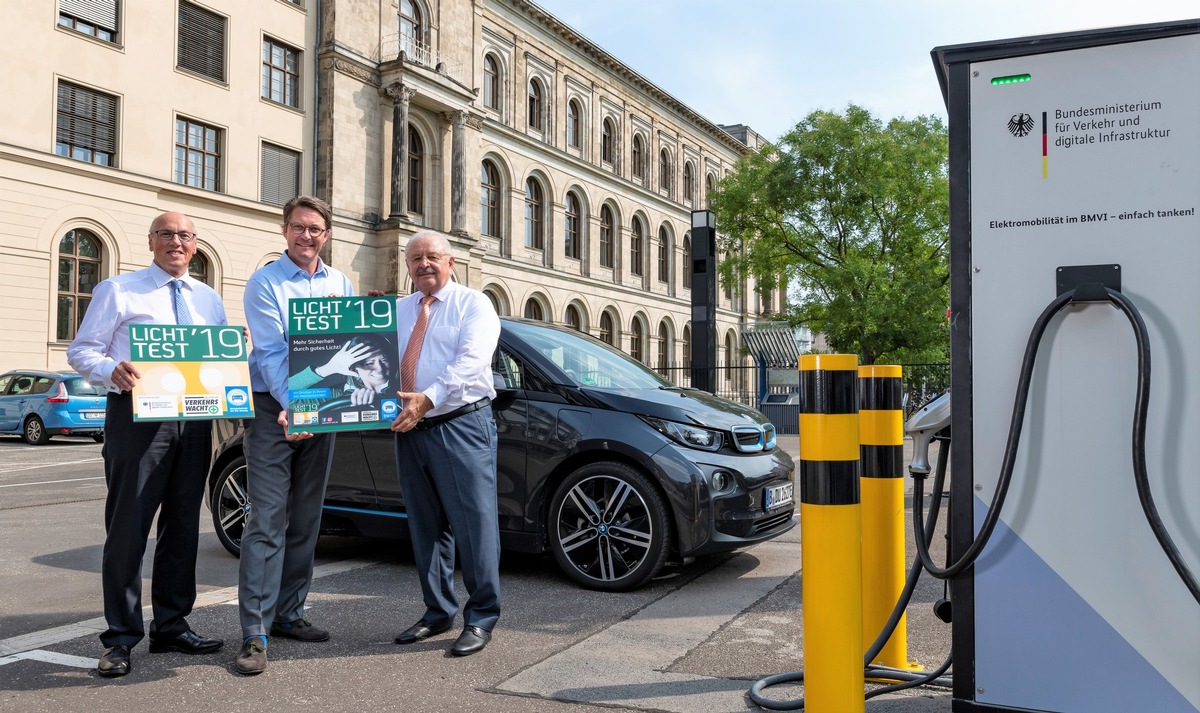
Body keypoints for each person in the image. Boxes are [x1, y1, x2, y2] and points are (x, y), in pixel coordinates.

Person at [67, 212, 227, 678]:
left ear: (194, 245)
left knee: (181, 528)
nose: (175, 242)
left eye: (184, 235)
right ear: (151, 242)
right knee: (128, 530)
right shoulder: (120, 289)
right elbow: (82, 350)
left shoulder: (209, 298)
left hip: (194, 421)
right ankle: (119, 639)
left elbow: (216, 355)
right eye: (166, 234)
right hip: (136, 419)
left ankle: (173, 625)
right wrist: (109, 371)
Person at [236, 195, 354, 675]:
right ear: (285, 230)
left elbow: (349, 345)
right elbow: (269, 354)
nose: (308, 236)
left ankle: (289, 613)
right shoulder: (264, 283)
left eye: (317, 229)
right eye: (300, 227)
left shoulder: (340, 282)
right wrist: (293, 406)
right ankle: (254, 632)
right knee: (266, 518)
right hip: (273, 409)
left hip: (321, 409)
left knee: (307, 518)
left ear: (327, 235)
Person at [389, 230, 502, 657]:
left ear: (450, 262)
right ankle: (437, 612)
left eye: (432, 256)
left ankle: (481, 617)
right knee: (426, 527)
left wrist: (428, 398)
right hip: (410, 429)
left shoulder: (474, 304)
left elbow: (472, 363)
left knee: (474, 526)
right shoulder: (397, 310)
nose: (424, 264)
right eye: (415, 258)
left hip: (460, 425)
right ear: (408, 265)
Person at [289, 333, 396, 406]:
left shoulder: (401, 388)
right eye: (369, 363)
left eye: (384, 360)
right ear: (354, 368)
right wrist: (328, 368)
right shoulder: (335, 395)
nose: (379, 368)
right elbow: (288, 396)